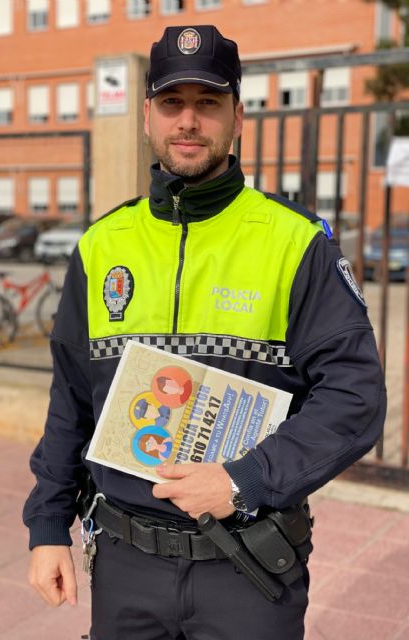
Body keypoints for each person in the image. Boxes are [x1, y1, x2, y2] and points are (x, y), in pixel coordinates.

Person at [23, 24, 386, 640]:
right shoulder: (101, 245)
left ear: (237, 117)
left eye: (208, 103)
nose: (188, 121)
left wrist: (244, 479)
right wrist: (48, 526)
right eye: (172, 103)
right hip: (125, 564)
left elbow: (355, 399)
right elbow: (72, 399)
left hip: (246, 566)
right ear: (146, 116)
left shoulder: (295, 242)